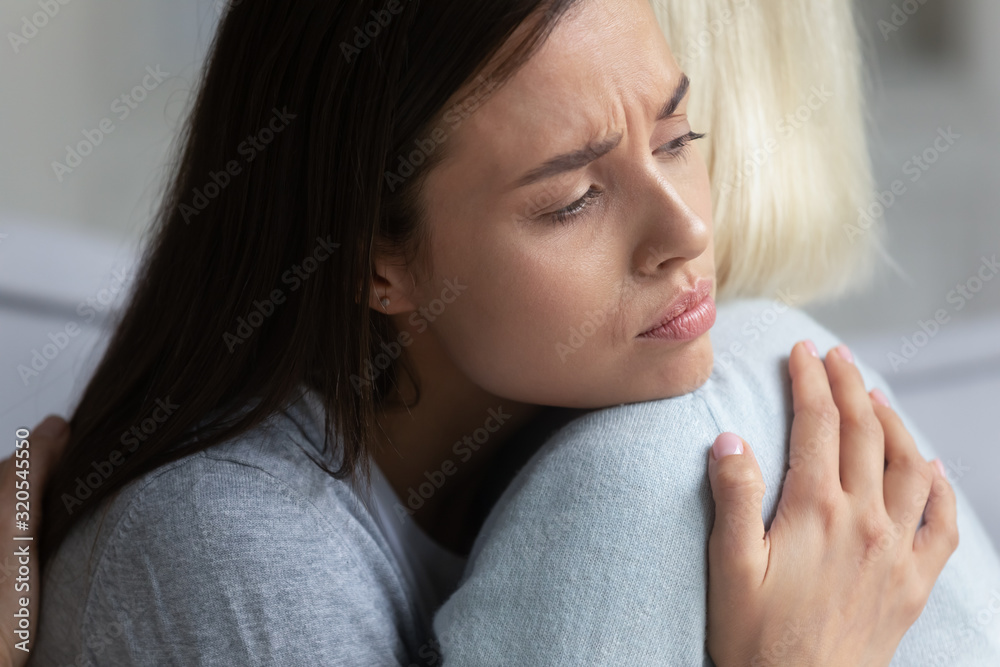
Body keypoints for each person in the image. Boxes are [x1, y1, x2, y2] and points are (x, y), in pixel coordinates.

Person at [0, 0, 979, 664]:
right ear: (373, 263)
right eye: (572, 198)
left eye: (677, 139)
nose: (683, 231)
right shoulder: (230, 551)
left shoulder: (590, 448)